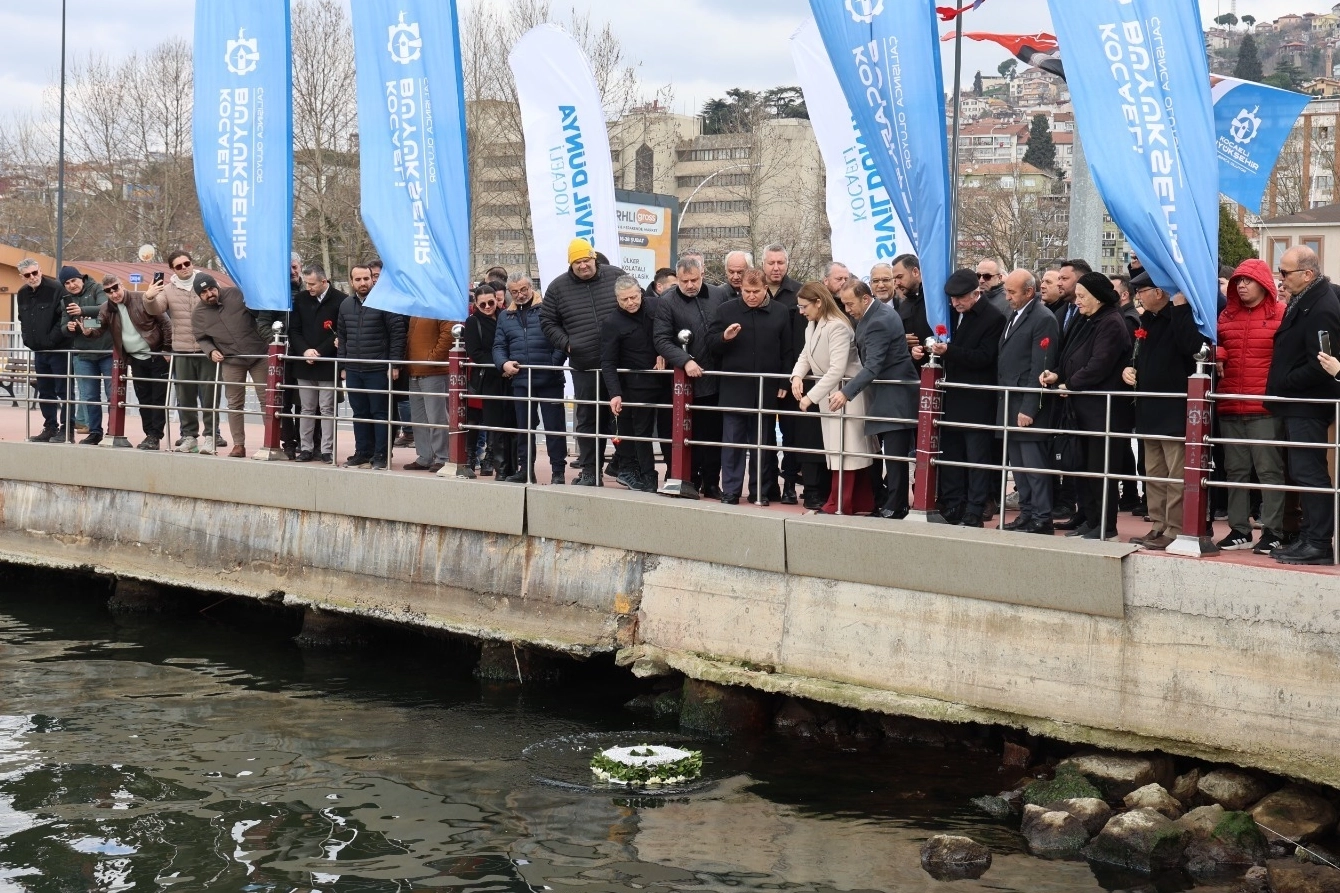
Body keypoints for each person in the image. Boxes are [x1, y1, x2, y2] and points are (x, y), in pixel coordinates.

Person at [1040, 272, 1133, 540]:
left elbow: (1099, 364)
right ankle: (1091, 520)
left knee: (1100, 471)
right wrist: (1057, 374)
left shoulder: (1112, 322)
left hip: (1103, 412)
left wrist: (1069, 384)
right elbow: (1070, 355)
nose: (1077, 301)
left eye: (1082, 296)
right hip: (1082, 409)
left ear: (1098, 297)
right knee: (1084, 470)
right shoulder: (1087, 319)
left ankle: (1106, 526)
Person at [1265, 246, 1340, 566]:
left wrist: (1285, 382)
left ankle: (1318, 543)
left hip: (1308, 404)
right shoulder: (1307, 299)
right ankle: (1309, 537)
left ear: (1307, 274)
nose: (1280, 278)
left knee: (1310, 473)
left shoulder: (1321, 307)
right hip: (1299, 403)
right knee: (1302, 472)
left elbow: (1323, 363)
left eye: (1285, 272)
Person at [1120, 273, 1204, 551]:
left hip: (1173, 409)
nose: (1138, 296)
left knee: (1175, 475)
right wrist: (1130, 368)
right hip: (1149, 408)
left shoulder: (1180, 315)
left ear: (1159, 292)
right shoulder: (1148, 319)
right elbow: (1139, 353)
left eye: (1142, 291)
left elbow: (1192, 349)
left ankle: (1175, 526)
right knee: (1153, 473)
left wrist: (1180, 310)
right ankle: (1158, 523)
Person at [540, 238, 625, 486]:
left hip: (620, 362)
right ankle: (590, 470)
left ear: (594, 258)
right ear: (571, 263)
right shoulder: (557, 287)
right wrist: (567, 344)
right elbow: (547, 321)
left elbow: (638, 302)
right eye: (577, 262)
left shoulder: (616, 276)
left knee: (624, 417)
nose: (583, 265)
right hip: (585, 364)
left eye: (586, 260)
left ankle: (626, 467)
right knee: (588, 420)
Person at [1215, 259, 1286, 554]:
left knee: (1269, 471)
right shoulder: (1225, 315)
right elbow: (1211, 342)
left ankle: (1274, 531)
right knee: (1235, 471)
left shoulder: (1281, 313)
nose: (1241, 285)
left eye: (1248, 280)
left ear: (1264, 284)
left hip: (1264, 407)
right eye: (1238, 281)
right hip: (1230, 404)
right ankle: (1239, 530)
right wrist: (1218, 352)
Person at [707, 268, 794, 506]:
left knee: (762, 445)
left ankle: (759, 491)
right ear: (740, 289)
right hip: (734, 388)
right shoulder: (726, 310)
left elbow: (787, 351)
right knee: (732, 443)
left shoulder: (780, 311)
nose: (751, 296)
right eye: (746, 291)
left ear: (765, 288)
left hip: (766, 388)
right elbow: (710, 344)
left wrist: (784, 381)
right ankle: (731, 490)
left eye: (756, 291)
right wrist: (724, 337)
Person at [927, 269, 1006, 526]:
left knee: (977, 458)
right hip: (951, 396)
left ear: (976, 293)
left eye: (960, 298)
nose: (955, 303)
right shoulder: (951, 314)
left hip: (977, 399)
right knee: (951, 455)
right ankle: (954, 504)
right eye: (952, 298)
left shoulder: (993, 318)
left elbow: (984, 357)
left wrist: (949, 351)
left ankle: (975, 509)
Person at [835, 281, 918, 518]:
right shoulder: (875, 314)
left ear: (865, 298)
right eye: (844, 304)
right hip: (888, 394)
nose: (847, 309)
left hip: (895, 395)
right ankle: (888, 501)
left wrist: (846, 392)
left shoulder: (878, 321)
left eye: (850, 304)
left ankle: (896, 505)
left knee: (894, 455)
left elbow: (872, 366)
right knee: (888, 454)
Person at [791, 282, 874, 515]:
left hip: (847, 395)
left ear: (818, 302)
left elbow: (837, 369)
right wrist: (796, 376)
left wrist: (810, 397)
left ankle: (841, 502)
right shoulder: (812, 324)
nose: (801, 311)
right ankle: (858, 501)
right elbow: (805, 354)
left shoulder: (838, 326)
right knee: (839, 449)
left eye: (804, 306)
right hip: (830, 393)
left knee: (847, 450)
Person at [654, 255, 728, 497]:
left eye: (694, 280)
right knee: (688, 433)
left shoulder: (718, 295)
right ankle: (690, 479)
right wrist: (685, 360)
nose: (689, 285)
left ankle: (712, 482)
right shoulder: (667, 301)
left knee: (713, 434)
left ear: (702, 275)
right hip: (683, 383)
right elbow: (661, 339)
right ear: (677, 278)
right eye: (684, 281)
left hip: (715, 379)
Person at [997, 269, 1060, 535]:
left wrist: (1029, 408)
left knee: (1034, 467)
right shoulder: (1016, 314)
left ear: (1029, 291)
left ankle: (1042, 517)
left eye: (1012, 292)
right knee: (1019, 468)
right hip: (1010, 401)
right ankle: (1026, 513)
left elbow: (1040, 366)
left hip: (1026, 406)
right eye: (1006, 291)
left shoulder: (1042, 318)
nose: (1007, 297)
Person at [144, 251, 225, 454]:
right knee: (185, 396)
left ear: (192, 263)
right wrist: (149, 297)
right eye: (178, 266)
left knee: (210, 395)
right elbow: (155, 309)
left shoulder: (206, 283)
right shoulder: (168, 289)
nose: (184, 268)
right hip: (181, 349)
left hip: (208, 350)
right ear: (172, 269)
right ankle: (189, 437)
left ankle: (211, 436)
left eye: (186, 263)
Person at [495, 273, 568, 485]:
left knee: (555, 428)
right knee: (524, 429)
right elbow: (499, 346)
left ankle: (558, 471)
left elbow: (561, 340)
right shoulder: (505, 316)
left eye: (523, 290)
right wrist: (503, 363)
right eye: (514, 292)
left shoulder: (548, 309)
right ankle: (525, 469)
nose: (519, 295)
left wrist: (553, 364)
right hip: (521, 380)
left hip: (550, 379)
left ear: (531, 287)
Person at [191, 273, 269, 459]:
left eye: (211, 288)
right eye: (204, 292)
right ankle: (238, 445)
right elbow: (201, 338)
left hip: (258, 354)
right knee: (234, 404)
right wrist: (210, 351)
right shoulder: (198, 315)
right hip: (231, 359)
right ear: (199, 296)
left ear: (217, 286)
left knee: (267, 400)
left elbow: (259, 312)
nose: (209, 294)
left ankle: (270, 442)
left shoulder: (236, 294)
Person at [336, 263, 406, 470]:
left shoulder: (386, 302)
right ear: (351, 282)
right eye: (358, 279)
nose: (363, 283)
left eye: (366, 278)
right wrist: (343, 365)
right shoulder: (345, 305)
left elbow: (398, 334)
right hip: (354, 369)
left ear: (372, 279)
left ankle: (381, 454)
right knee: (359, 413)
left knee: (380, 413)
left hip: (378, 369)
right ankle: (362, 452)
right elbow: (342, 337)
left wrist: (394, 364)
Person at [601, 276, 665, 492]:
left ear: (640, 293)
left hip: (663, 380)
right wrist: (615, 393)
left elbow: (670, 334)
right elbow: (608, 362)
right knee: (641, 433)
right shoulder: (612, 323)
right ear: (617, 299)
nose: (630, 303)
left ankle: (674, 474)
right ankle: (648, 476)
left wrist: (664, 353)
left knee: (667, 430)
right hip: (635, 386)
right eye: (624, 299)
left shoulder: (657, 307)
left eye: (633, 297)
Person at [97, 274, 172, 450]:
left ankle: (155, 435)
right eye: (108, 291)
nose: (114, 294)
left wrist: (167, 349)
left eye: (115, 288)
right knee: (143, 398)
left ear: (122, 285)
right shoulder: (106, 308)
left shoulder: (142, 299)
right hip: (135, 358)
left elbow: (166, 323)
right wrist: (86, 330)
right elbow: (98, 328)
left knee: (158, 398)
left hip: (157, 355)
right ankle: (149, 434)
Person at [762, 243, 806, 504]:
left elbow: (798, 343)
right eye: (771, 263)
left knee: (791, 434)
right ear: (763, 264)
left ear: (787, 264)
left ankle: (789, 484)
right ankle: (768, 486)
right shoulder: (755, 290)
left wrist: (788, 378)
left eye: (780, 263)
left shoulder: (799, 292)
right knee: (765, 434)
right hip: (763, 375)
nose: (776, 268)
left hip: (791, 376)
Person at [287, 264, 344, 463]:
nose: (308, 288)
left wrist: (320, 351)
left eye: (312, 284)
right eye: (307, 284)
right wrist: (305, 351)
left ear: (323, 281)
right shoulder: (301, 299)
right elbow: (294, 330)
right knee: (307, 408)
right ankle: (306, 448)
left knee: (327, 408)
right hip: (305, 362)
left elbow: (340, 332)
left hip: (327, 363)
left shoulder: (340, 300)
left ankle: (327, 449)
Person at [14, 259, 72, 441]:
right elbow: (22, 319)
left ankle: (67, 430)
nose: (32, 277)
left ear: (40, 270)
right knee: (45, 391)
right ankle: (50, 428)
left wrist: (51, 339)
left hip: (59, 350)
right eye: (27, 275)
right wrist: (28, 340)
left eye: (35, 272)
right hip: (39, 351)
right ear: (22, 277)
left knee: (64, 391)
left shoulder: (57, 289)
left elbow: (65, 317)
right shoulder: (22, 293)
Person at [463, 283, 515, 478]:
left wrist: (509, 366)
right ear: (476, 304)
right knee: (493, 422)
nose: (487, 307)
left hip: (511, 375)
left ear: (497, 300)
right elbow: (475, 352)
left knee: (511, 422)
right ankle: (499, 467)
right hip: (489, 377)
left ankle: (510, 466)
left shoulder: (507, 316)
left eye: (490, 302)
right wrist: (501, 366)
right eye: (482, 304)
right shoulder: (473, 322)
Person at [61, 266, 112, 446]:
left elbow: (105, 313)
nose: (71, 285)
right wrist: (69, 328)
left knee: (112, 395)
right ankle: (95, 432)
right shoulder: (65, 301)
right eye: (67, 283)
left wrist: (82, 312)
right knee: (90, 396)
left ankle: (113, 432)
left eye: (74, 280)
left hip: (106, 351)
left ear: (81, 278)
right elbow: (63, 327)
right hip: (83, 354)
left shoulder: (97, 288)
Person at [402, 309, 454, 472]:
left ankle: (442, 457)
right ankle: (425, 456)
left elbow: (449, 335)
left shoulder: (441, 307)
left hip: (433, 371)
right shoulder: (417, 310)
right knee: (419, 418)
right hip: (415, 370)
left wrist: (433, 358)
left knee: (437, 417)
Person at [891, 253, 933, 355]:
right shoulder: (903, 307)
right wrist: (902, 340)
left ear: (915, 272)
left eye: (900, 277)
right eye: (895, 279)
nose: (897, 283)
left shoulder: (935, 300)